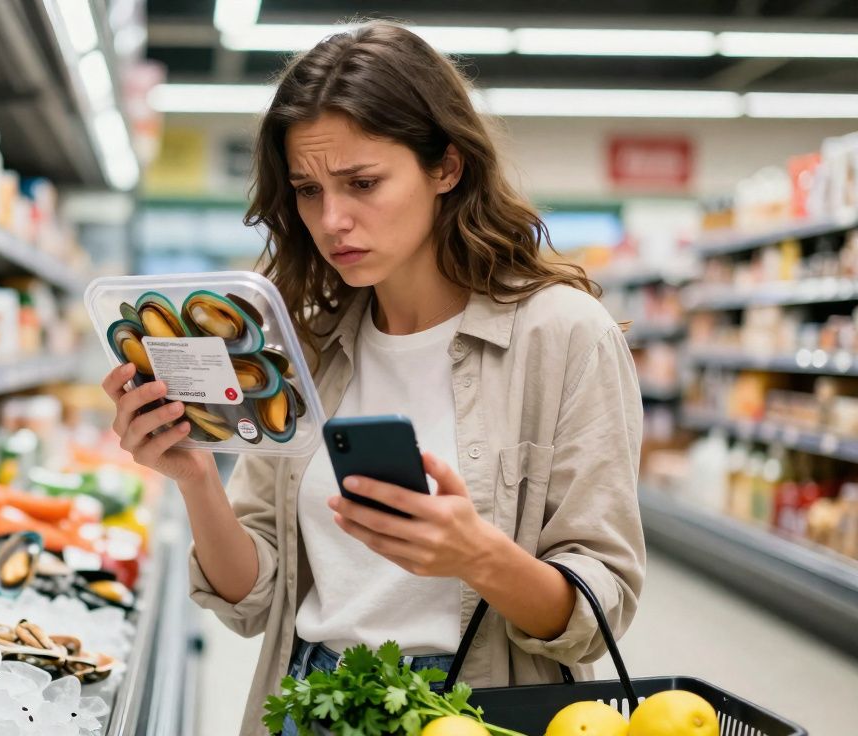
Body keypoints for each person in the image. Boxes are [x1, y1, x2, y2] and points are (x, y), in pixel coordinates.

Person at [100, 21, 644, 735]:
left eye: (362, 183)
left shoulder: (563, 335)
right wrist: (197, 478)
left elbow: (597, 613)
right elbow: (250, 598)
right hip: (310, 705)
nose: (333, 220)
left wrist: (477, 556)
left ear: (446, 167)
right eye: (306, 189)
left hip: (475, 710)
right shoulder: (306, 343)